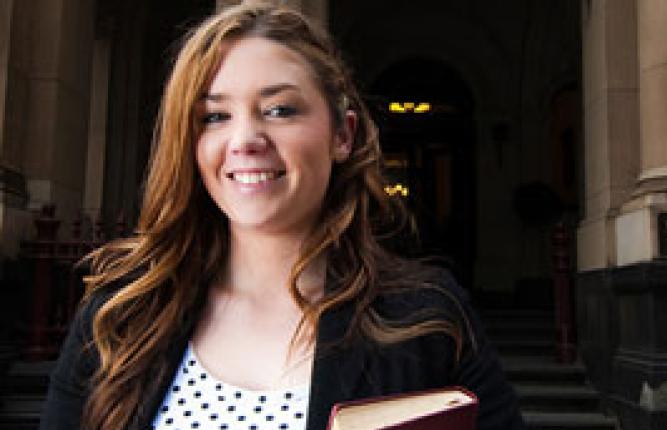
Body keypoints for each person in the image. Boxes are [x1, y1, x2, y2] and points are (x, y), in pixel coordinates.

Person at [40, 2, 524, 429]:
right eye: (214, 116)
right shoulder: (119, 316)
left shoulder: (428, 319)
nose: (245, 139)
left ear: (343, 135)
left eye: (279, 110)